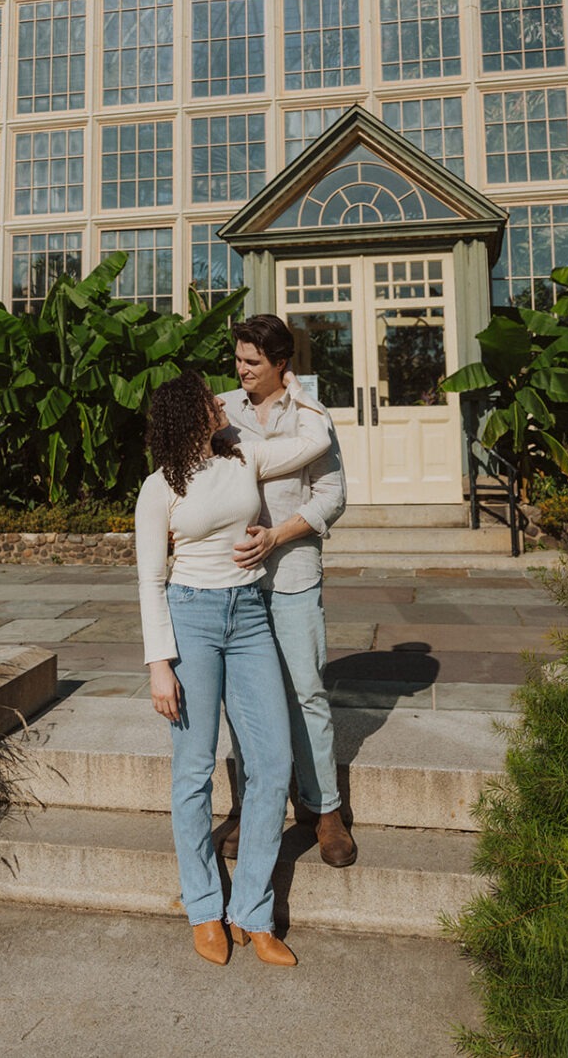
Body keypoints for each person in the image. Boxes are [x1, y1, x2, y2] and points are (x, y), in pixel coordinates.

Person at [135, 368, 331, 968]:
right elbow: (150, 578)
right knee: (193, 770)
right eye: (207, 398)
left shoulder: (243, 454)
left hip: (248, 617)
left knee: (271, 764)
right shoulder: (157, 487)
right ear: (189, 414)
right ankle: (203, 907)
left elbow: (315, 440)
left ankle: (253, 913)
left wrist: (298, 391)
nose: (220, 399)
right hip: (189, 619)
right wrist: (159, 665)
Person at [219, 314, 357, 868]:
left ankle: (324, 810)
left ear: (282, 364)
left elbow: (333, 495)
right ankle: (253, 806)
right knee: (245, 703)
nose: (242, 369)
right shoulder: (223, 411)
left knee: (306, 692)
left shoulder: (311, 417)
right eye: (238, 359)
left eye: (254, 361)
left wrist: (279, 534)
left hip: (293, 574)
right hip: (233, 579)